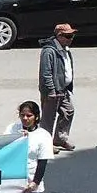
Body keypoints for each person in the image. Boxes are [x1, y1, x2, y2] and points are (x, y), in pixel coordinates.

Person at [38, 23, 77, 153]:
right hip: (53, 91)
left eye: (72, 36)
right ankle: (45, 144)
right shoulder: (49, 51)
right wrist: (51, 90)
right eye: (68, 36)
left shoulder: (65, 49)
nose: (71, 39)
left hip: (63, 89)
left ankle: (60, 139)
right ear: (59, 36)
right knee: (48, 119)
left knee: (68, 112)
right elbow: (46, 73)